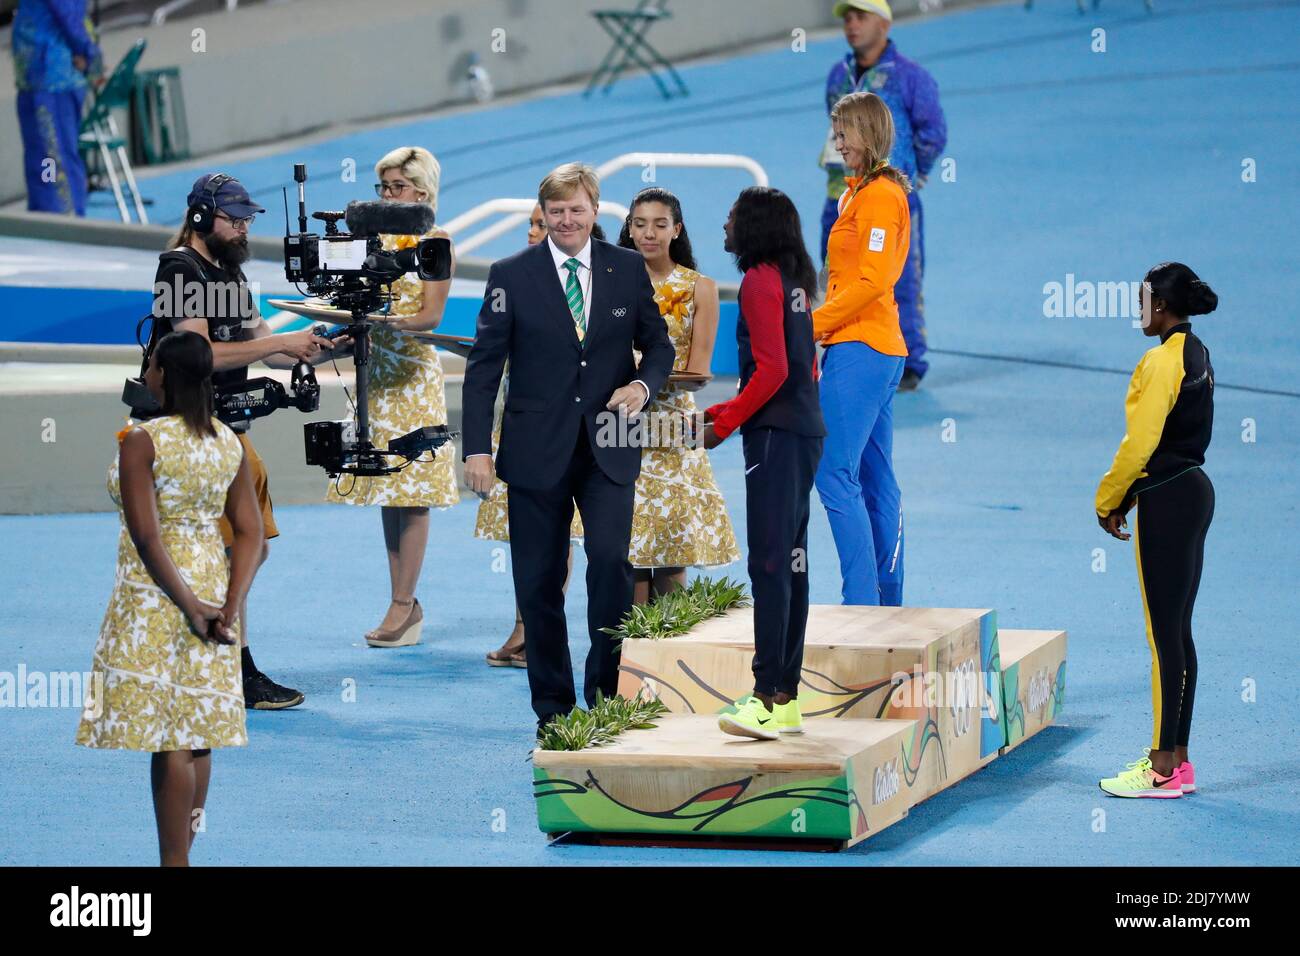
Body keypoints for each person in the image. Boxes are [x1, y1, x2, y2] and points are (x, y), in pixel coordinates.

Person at [462, 163, 676, 734]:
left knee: (610, 564)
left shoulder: (627, 269)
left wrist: (641, 386)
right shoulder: (510, 274)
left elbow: (658, 346)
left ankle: (605, 695)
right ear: (544, 215)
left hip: (610, 443)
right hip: (535, 450)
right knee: (537, 580)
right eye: (555, 212)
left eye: (575, 210)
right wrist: (477, 449)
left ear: (596, 211)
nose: (565, 220)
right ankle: (553, 710)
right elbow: (483, 370)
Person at [140, 172, 344, 709]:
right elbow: (198, 352)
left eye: (248, 220)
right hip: (188, 429)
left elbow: (264, 348)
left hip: (224, 430)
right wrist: (278, 341)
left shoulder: (230, 273)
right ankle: (230, 664)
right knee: (219, 548)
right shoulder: (179, 268)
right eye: (235, 219)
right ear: (204, 218)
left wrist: (325, 348)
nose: (244, 228)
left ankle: (229, 658)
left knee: (241, 547)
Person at [77, 331, 264, 866]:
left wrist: (187, 605)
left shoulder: (142, 439)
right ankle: (185, 852)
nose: (148, 376)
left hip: (159, 592)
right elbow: (251, 535)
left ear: (167, 377)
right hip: (210, 578)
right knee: (198, 724)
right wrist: (228, 605)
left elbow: (147, 536)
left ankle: (173, 863)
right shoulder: (228, 440)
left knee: (170, 735)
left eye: (153, 368)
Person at [702, 187, 826, 740]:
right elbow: (804, 368)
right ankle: (787, 695)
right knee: (793, 563)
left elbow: (771, 369)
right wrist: (728, 409)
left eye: (732, 217)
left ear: (752, 226)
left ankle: (762, 698)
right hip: (803, 431)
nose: (724, 224)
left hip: (775, 438)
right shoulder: (796, 279)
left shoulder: (757, 280)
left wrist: (725, 425)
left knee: (770, 565)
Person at [325, 147, 460, 647]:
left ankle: (404, 604)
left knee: (414, 489)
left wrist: (378, 322)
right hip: (373, 372)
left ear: (421, 193)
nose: (386, 197)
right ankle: (403, 600)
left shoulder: (436, 241)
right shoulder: (371, 237)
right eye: (382, 188)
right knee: (384, 486)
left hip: (412, 374)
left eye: (396, 188)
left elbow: (431, 317)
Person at [1095, 263, 1217, 799]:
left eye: (1143, 302)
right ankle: (1180, 761)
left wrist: (1109, 499)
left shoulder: (1160, 360)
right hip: (1194, 490)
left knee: (1163, 637)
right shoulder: (1199, 354)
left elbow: (1139, 445)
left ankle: (1161, 768)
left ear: (1162, 308)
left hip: (1165, 498)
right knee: (1179, 634)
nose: (1137, 311)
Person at [813, 91, 912, 607]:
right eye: (836, 130)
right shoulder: (859, 193)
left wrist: (813, 324)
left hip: (863, 349)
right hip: (869, 347)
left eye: (845, 131)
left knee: (832, 471)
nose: (838, 141)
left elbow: (873, 279)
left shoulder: (877, 196)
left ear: (869, 133)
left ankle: (861, 603)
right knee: (874, 477)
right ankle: (884, 598)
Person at [618, 187, 739, 599]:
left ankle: (669, 655)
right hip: (617, 431)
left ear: (677, 230)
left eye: (659, 224)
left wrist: (640, 377)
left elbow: (700, 373)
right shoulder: (608, 281)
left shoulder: (699, 288)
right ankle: (629, 658)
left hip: (672, 431)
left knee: (672, 551)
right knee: (628, 552)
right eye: (639, 224)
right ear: (629, 229)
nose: (649, 233)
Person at [478, 204, 584, 668]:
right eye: (534, 223)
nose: (533, 231)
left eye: (542, 223)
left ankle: (536, 630)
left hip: (574, 433)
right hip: (522, 429)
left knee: (559, 537)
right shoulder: (513, 277)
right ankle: (526, 626)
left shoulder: (589, 281)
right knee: (527, 537)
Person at [820, 0, 946, 391]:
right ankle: (842, 343)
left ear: (884, 23)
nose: (852, 25)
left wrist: (913, 172)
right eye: (847, 18)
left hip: (887, 194)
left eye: (861, 17)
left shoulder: (911, 77)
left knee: (899, 279)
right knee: (837, 273)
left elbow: (933, 133)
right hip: (839, 194)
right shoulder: (837, 76)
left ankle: (908, 359)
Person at [11, 0, 101, 215]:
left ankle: (62, 222)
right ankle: (46, 218)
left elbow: (69, 15)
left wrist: (90, 55)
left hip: (52, 81)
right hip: (37, 79)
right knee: (43, 161)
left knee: (52, 159)